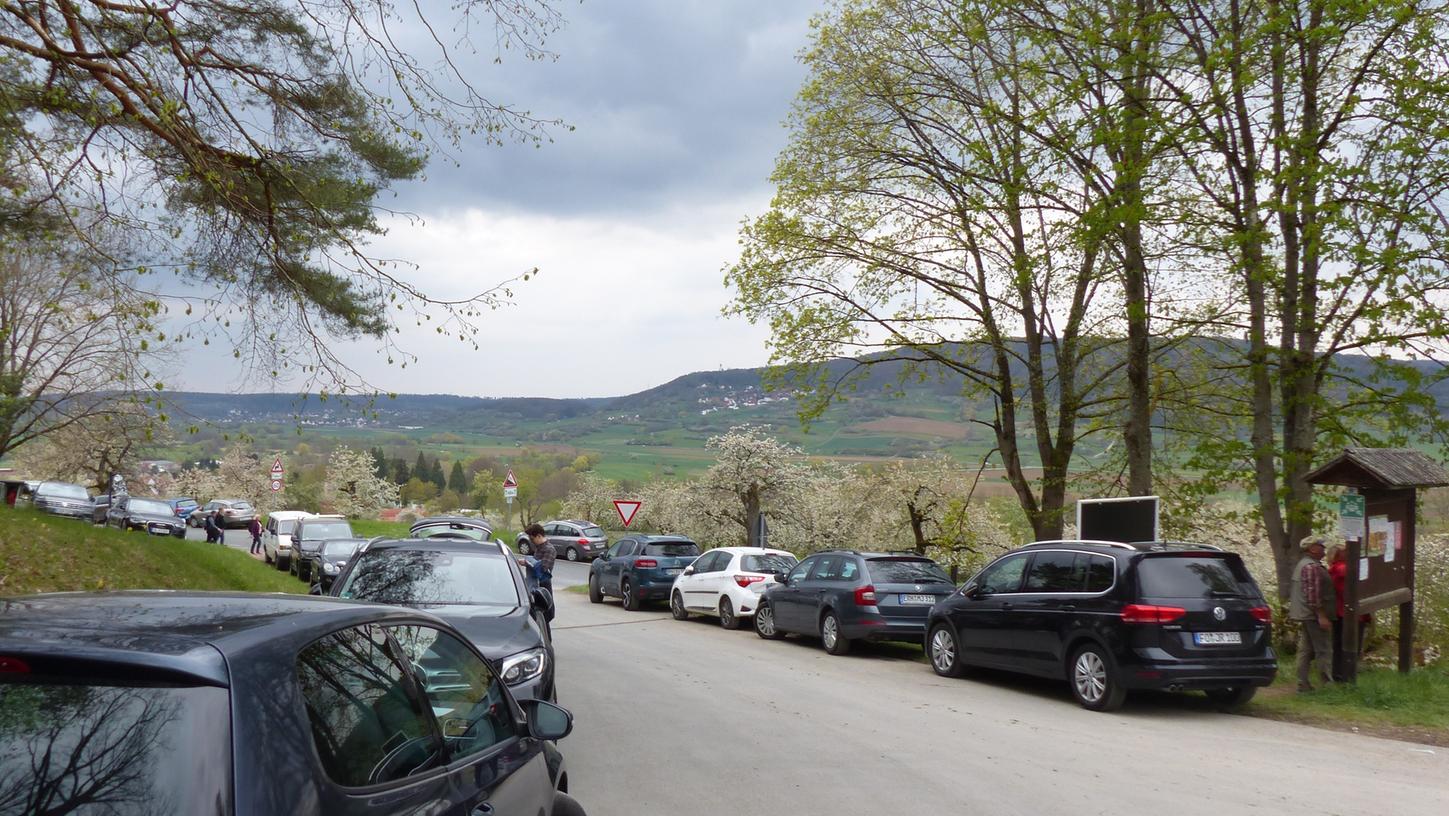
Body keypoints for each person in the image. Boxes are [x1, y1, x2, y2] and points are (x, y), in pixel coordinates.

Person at [1289, 537, 1336, 692]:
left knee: (1306, 650)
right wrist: (1321, 616)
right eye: (1320, 546)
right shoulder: (1311, 567)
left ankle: (1303, 683)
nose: (1323, 548)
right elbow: (1313, 595)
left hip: (1306, 614)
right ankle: (1327, 684)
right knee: (1323, 649)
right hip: (1313, 615)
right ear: (1312, 549)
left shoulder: (1303, 565)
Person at [526, 523, 556, 591]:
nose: (531, 541)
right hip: (534, 583)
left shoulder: (549, 549)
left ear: (539, 536)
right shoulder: (538, 547)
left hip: (544, 585)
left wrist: (527, 562)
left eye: (532, 539)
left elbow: (543, 569)